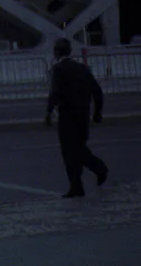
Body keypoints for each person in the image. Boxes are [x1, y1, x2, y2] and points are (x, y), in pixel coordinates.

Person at [45, 38, 107, 197]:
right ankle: (78, 184)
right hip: (83, 115)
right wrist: (97, 112)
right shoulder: (82, 68)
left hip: (67, 115)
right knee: (78, 148)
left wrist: (48, 113)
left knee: (70, 151)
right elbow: (97, 91)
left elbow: (54, 93)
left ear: (56, 52)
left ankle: (91, 174)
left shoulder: (58, 69)